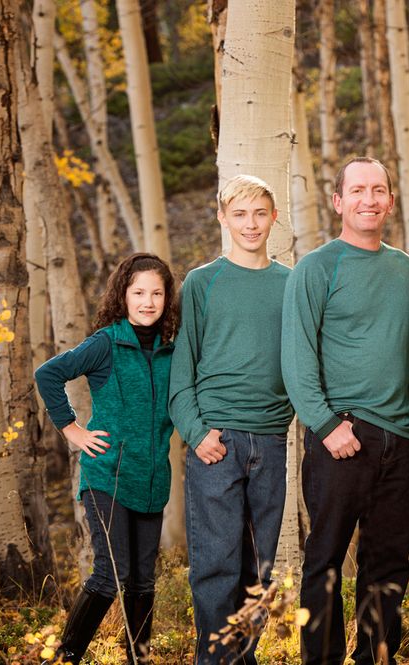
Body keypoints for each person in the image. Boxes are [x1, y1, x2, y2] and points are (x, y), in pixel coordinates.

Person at [281, 157, 409, 665]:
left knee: (387, 564)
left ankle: (375, 658)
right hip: (341, 435)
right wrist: (326, 425)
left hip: (400, 439)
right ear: (338, 202)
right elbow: (296, 359)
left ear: (389, 199)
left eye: (378, 189)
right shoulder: (316, 268)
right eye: (357, 190)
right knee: (325, 562)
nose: (369, 199)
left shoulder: (405, 269)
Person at [168, 174, 293, 664]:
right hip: (216, 442)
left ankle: (241, 658)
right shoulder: (203, 282)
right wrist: (197, 434)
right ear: (222, 218)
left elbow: (303, 361)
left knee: (259, 570)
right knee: (215, 565)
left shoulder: (291, 282)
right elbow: (182, 372)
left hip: (272, 439)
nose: (250, 224)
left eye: (260, 213)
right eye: (239, 214)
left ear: (274, 218)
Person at [35, 253, 180, 665]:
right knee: (110, 573)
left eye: (156, 293)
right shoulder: (106, 342)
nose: (148, 302)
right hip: (106, 475)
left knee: (142, 580)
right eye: (138, 293)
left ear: (167, 299)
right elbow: (48, 374)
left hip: (152, 478)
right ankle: (65, 657)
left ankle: (140, 658)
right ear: (124, 295)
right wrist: (72, 430)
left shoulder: (173, 349)